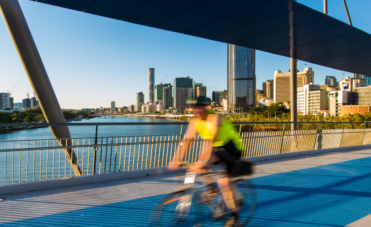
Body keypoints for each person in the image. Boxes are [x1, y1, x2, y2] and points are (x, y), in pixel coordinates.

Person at [168, 96, 244, 227]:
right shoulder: (194, 121)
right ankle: (211, 189)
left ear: (205, 107)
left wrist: (202, 161)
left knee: (223, 182)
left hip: (232, 148)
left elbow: (210, 141)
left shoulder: (214, 118)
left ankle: (234, 217)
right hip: (217, 149)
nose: (197, 111)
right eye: (194, 108)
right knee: (200, 164)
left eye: (199, 108)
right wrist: (176, 159)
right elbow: (186, 141)